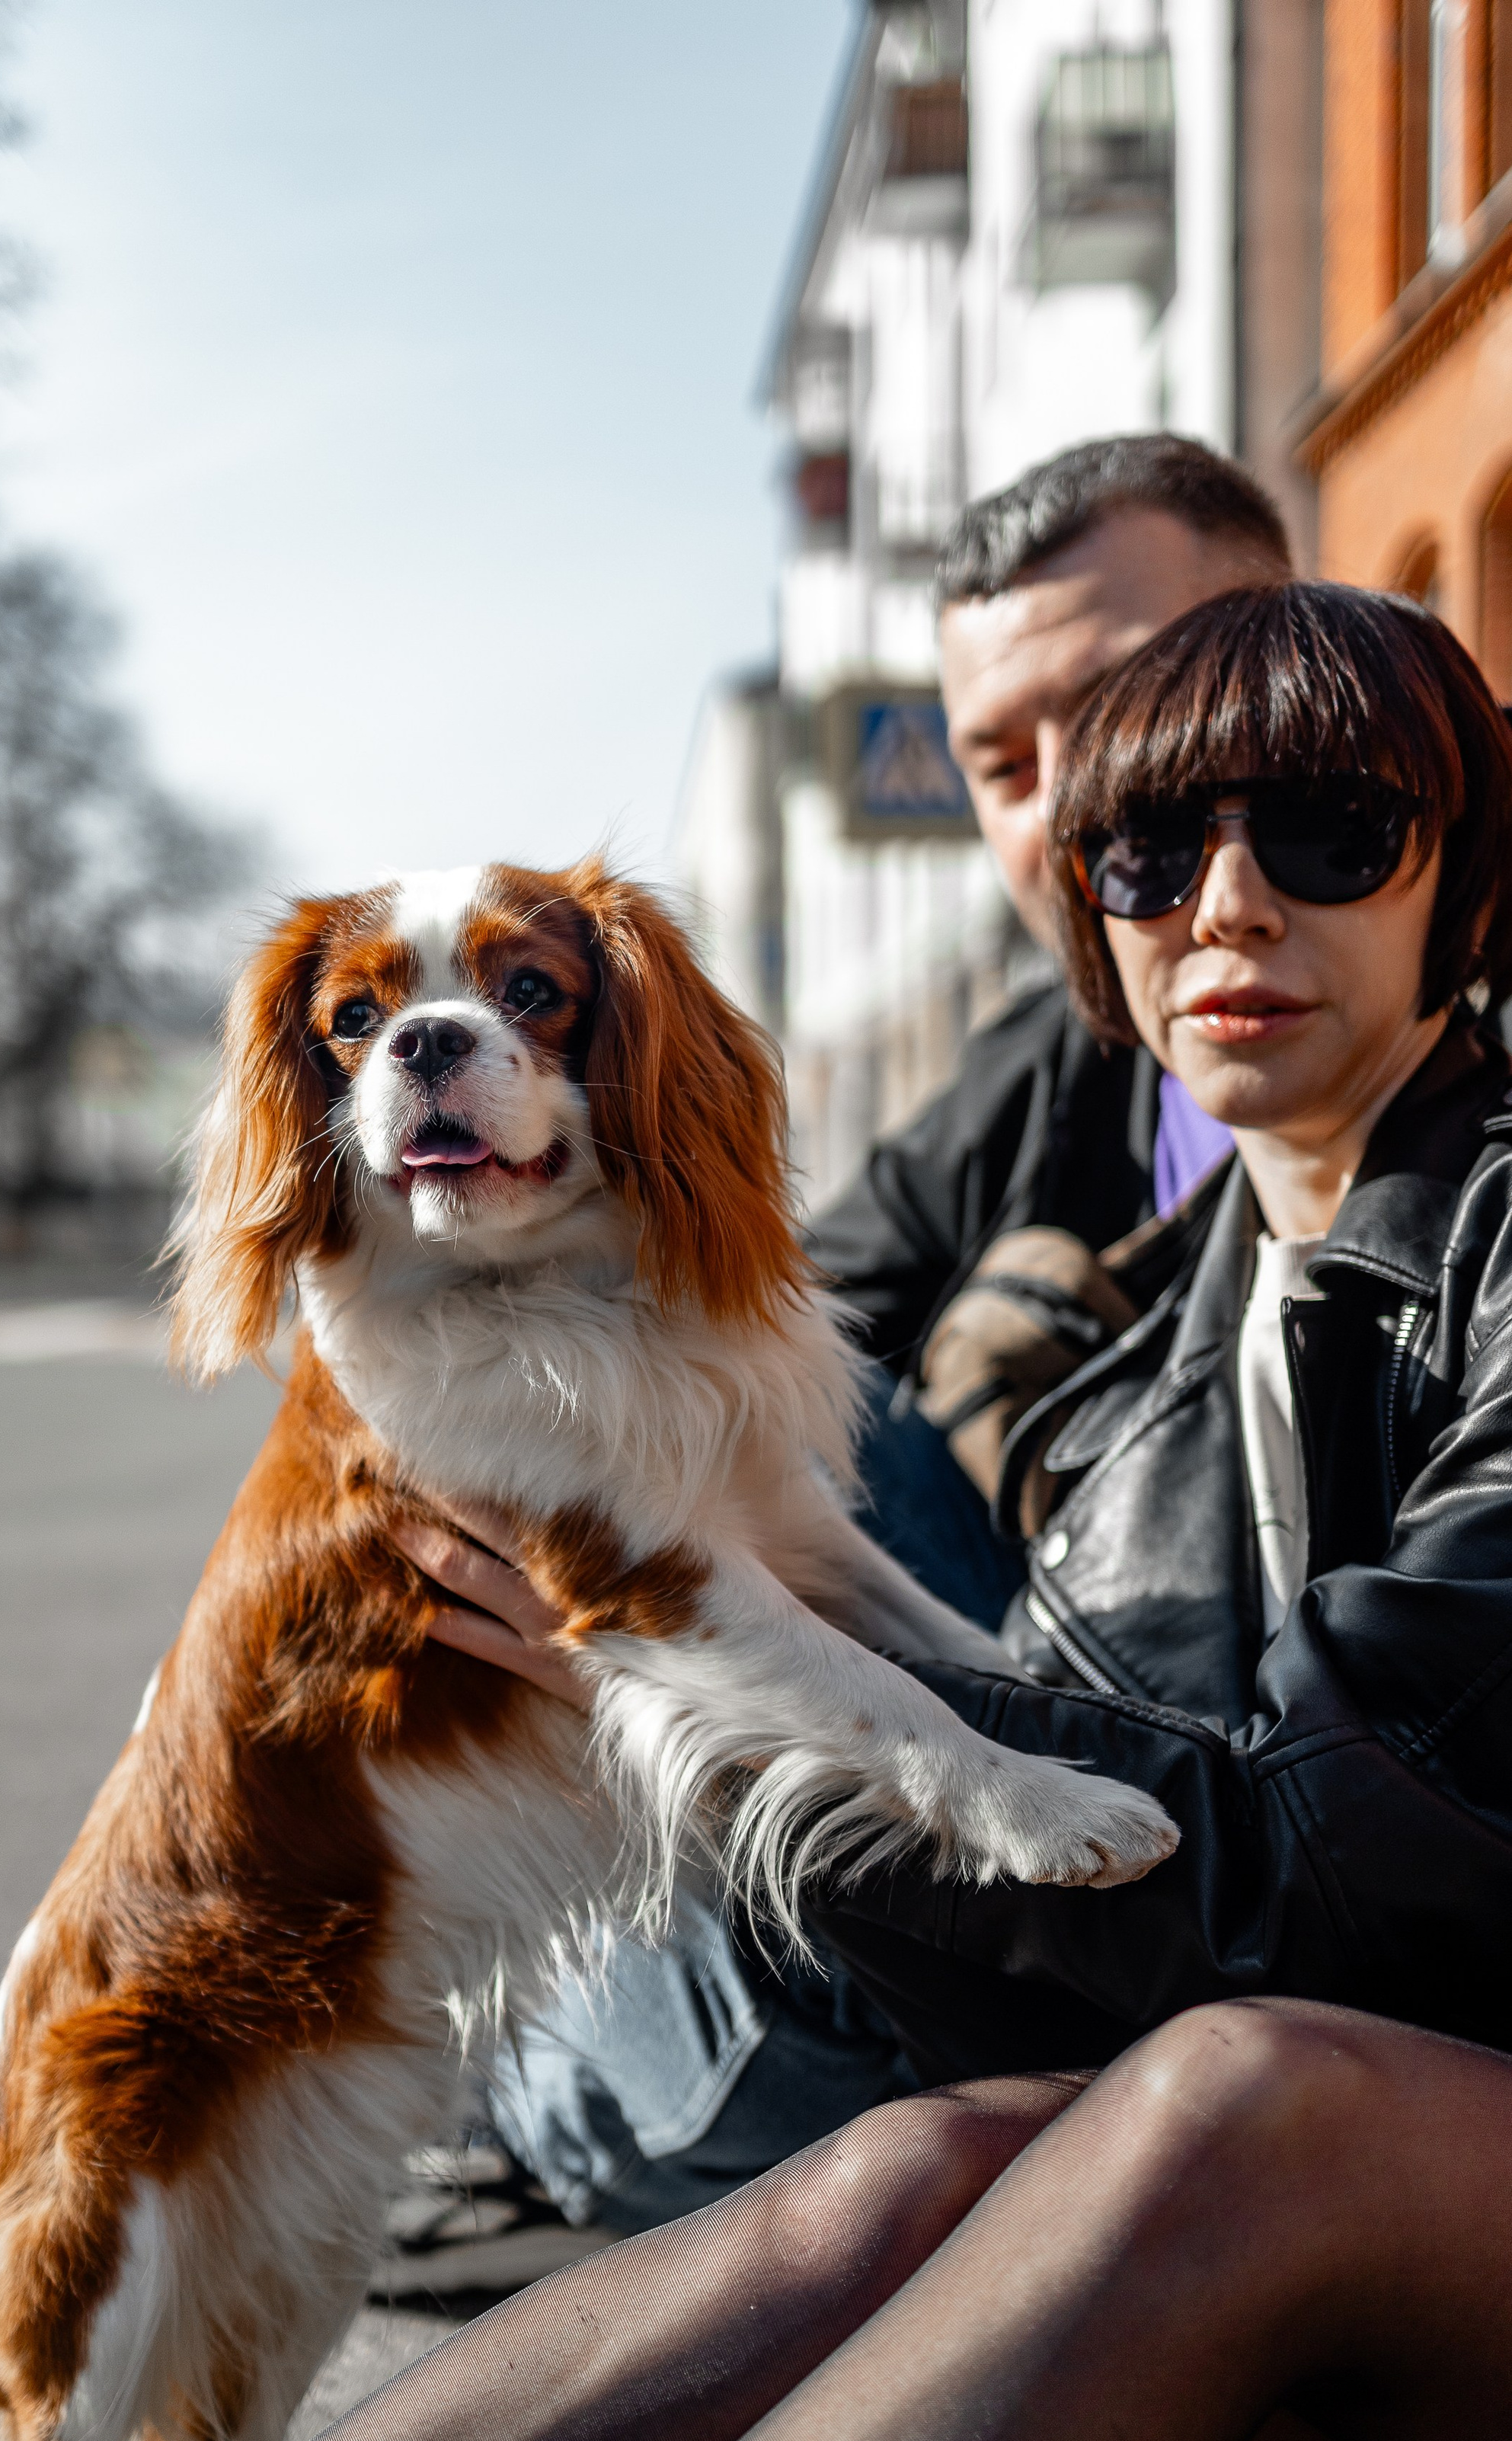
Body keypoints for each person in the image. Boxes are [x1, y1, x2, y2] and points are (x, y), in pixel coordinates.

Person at [0, 581, 1512, 2441]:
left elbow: (1355, 1880)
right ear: (1096, 923)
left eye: (1330, 831)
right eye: (1149, 856)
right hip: (1406, 2220)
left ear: (1471, 877)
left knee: (1235, 2110)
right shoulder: (1160, 1350)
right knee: (926, 2182)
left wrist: (667, 1697)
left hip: (1417, 2148)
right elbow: (1087, 1914)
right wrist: (687, 1704)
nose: (1225, 902)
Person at [424, 434, 1288, 2276]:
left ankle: (551, 2096)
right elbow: (745, 1319)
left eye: (1124, 697)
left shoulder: (1391, 1052)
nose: (1066, 797)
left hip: (1179, 1878)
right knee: (691, 1406)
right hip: (983, 1861)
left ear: (1291, 653)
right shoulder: (1052, 1055)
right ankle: (551, 2062)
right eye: (999, 759)